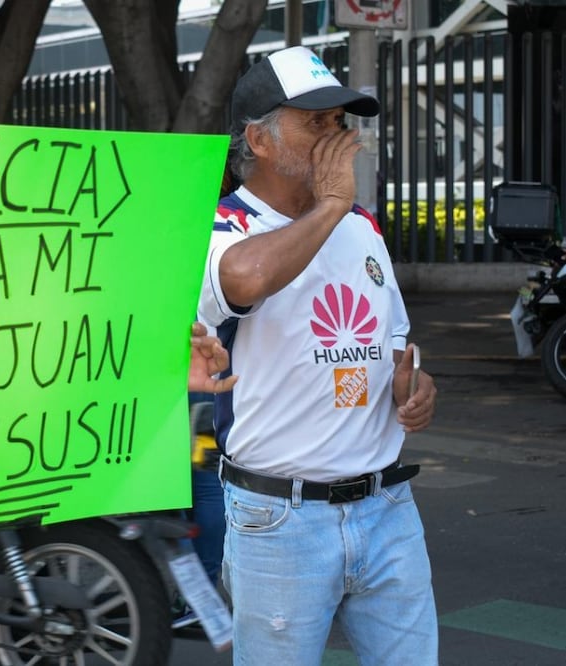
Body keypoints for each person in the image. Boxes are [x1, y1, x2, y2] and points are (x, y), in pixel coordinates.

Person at [197, 46, 438, 663]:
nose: (337, 136)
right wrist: (330, 205)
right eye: (316, 122)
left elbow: (393, 345)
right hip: (280, 519)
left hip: (387, 507)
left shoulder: (361, 227)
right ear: (260, 140)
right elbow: (244, 279)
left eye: (339, 121)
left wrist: (411, 386)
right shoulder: (221, 226)